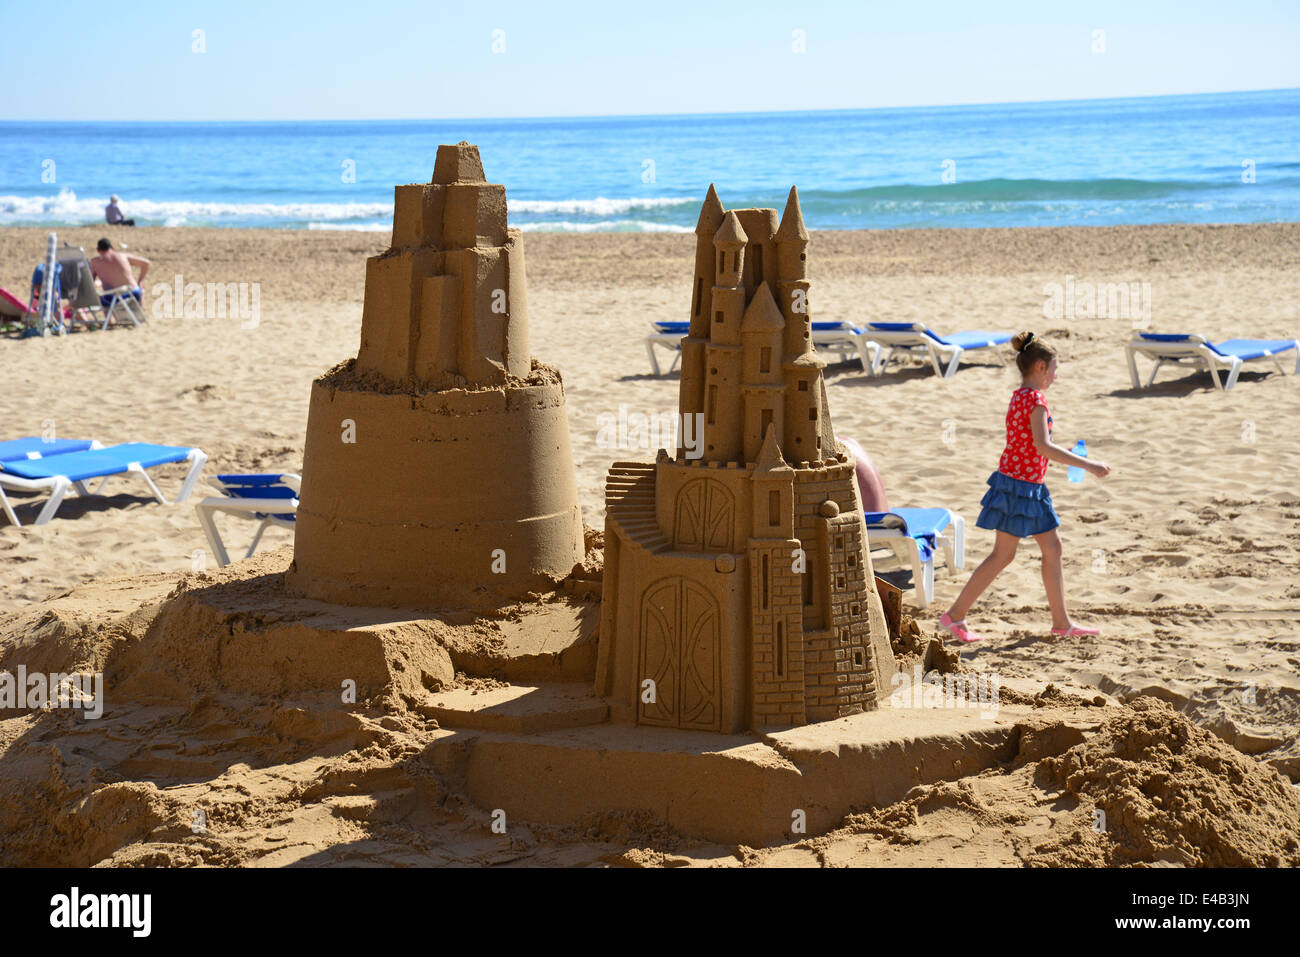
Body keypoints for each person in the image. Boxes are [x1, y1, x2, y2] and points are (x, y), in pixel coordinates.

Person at [939, 331, 1111, 643]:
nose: (1056, 376)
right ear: (1041, 367)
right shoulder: (1037, 402)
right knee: (1019, 553)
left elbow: (1031, 444)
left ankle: (1058, 621)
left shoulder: (1019, 397)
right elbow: (1043, 447)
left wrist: (1069, 452)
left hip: (1014, 483)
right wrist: (1088, 464)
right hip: (1024, 488)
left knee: (1029, 551)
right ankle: (957, 616)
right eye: (1055, 369)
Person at [89, 238, 149, 309]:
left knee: (102, 298)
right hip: (133, 294)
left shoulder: (94, 262)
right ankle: (139, 315)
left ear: (98, 250)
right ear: (112, 248)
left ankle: (109, 320)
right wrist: (140, 281)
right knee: (141, 289)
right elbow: (146, 263)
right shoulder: (123, 256)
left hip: (111, 299)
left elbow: (90, 282)